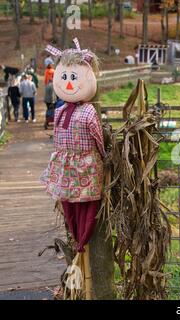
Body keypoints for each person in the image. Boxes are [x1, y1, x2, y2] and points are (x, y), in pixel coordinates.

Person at [40, 38, 105, 254]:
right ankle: (79, 239)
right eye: (65, 77)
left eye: (74, 78)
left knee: (83, 203)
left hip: (75, 165)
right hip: (77, 164)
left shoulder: (83, 111)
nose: (68, 83)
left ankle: (81, 239)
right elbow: (98, 139)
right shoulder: (65, 111)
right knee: (77, 203)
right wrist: (103, 156)